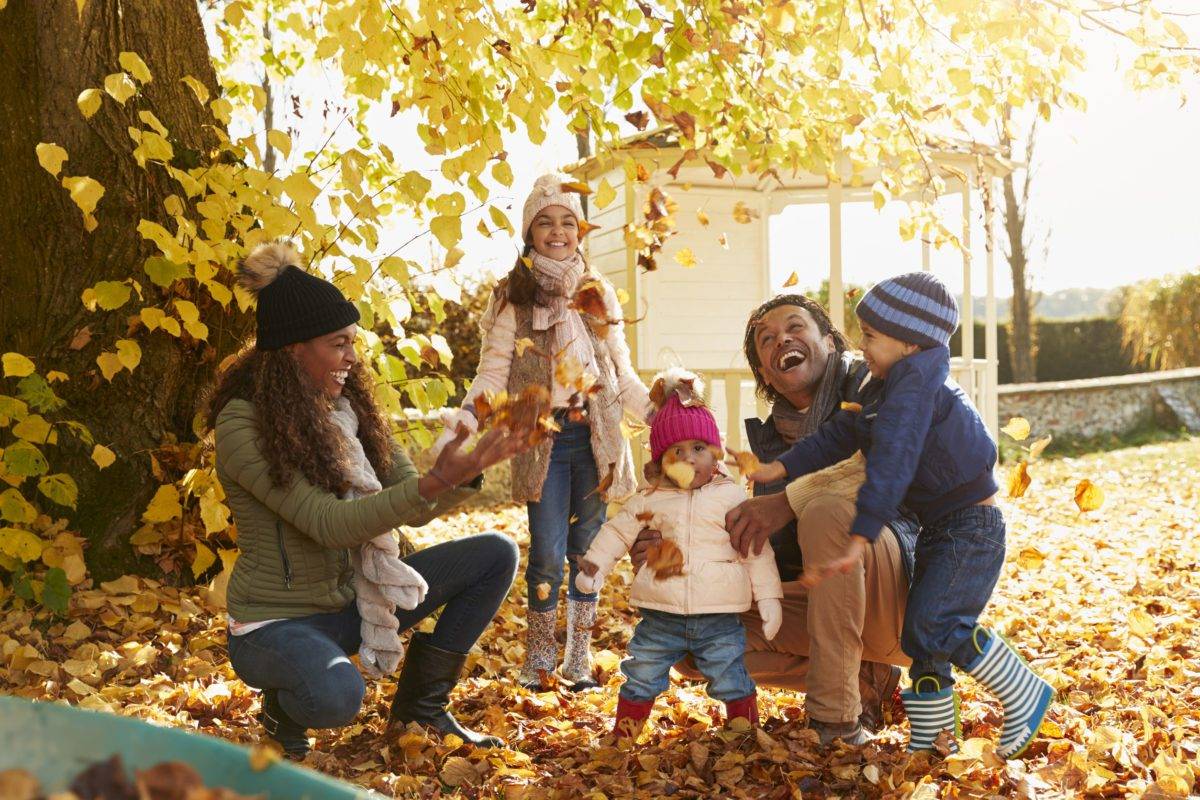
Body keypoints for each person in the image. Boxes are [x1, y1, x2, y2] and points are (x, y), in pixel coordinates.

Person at [209, 241, 533, 758]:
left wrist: (456, 474)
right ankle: (281, 706)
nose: (351, 358)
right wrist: (430, 484)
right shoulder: (243, 424)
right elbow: (329, 524)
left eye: (352, 343)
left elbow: (413, 503)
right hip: (275, 624)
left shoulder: (350, 413)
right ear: (294, 347)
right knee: (337, 696)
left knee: (496, 552)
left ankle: (421, 708)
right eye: (338, 344)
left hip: (353, 601)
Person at [750, 272, 1053, 758]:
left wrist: (859, 534)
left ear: (910, 343)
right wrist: (779, 467)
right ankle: (934, 743)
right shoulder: (883, 382)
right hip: (944, 526)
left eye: (870, 336)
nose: (862, 345)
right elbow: (838, 436)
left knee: (935, 627)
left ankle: (1023, 689)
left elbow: (889, 466)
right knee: (924, 640)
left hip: (968, 527)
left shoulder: (911, 394)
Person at [631, 294, 917, 746]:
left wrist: (790, 501)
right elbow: (765, 557)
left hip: (903, 590)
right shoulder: (770, 443)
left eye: (795, 326)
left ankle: (835, 723)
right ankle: (862, 680)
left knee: (826, 513)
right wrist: (673, 552)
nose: (781, 338)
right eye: (766, 340)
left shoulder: (873, 385)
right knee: (692, 636)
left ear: (829, 340)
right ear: (765, 373)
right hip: (833, 604)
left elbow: (891, 459)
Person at [434, 173, 652, 690]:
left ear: (580, 231)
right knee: (549, 551)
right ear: (530, 232)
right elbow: (493, 368)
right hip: (545, 441)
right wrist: (471, 414)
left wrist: (659, 408)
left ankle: (578, 657)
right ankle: (538, 658)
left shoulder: (598, 294)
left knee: (587, 552)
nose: (557, 231)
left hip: (596, 437)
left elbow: (619, 369)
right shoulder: (515, 295)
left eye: (567, 222)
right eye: (545, 222)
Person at [575, 369, 783, 738]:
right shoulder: (650, 497)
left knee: (730, 673)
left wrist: (769, 598)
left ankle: (746, 732)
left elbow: (756, 551)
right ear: (661, 459)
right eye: (677, 451)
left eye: (699, 449)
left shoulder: (731, 497)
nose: (689, 459)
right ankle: (624, 735)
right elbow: (616, 532)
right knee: (641, 672)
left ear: (716, 453)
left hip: (719, 616)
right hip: (661, 614)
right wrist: (594, 568)